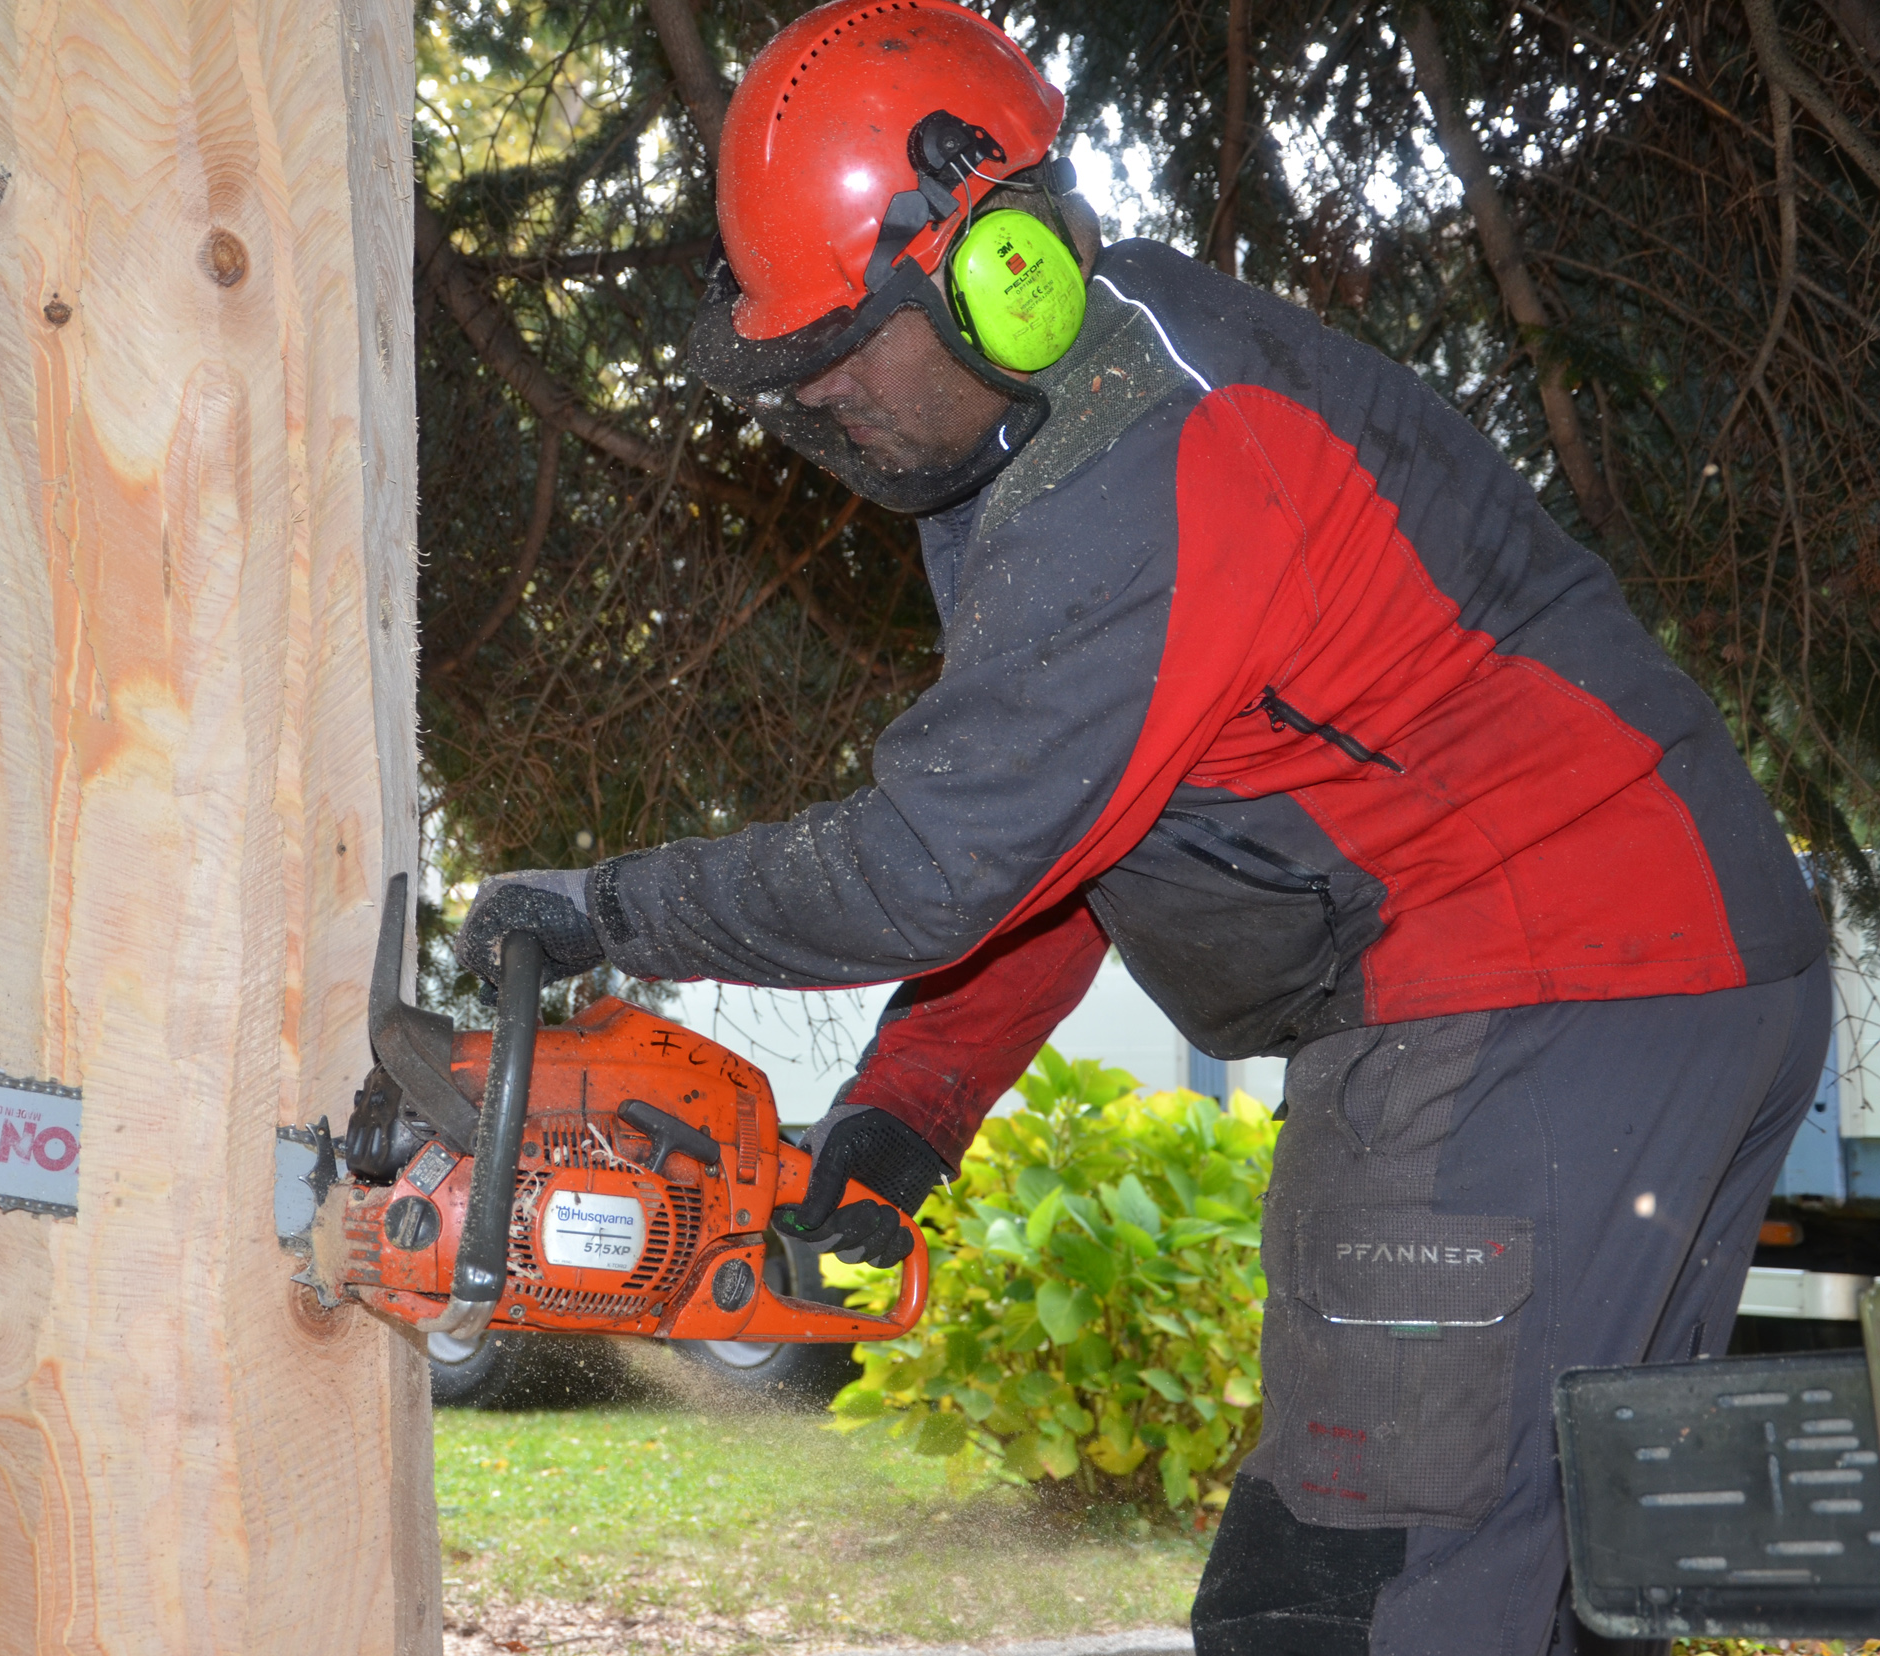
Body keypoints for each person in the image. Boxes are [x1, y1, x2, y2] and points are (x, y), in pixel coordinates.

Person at [451, 4, 1831, 1651]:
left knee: (1351, 1592)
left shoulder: (1155, 460)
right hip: (1671, 985)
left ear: (999, 269)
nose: (822, 407)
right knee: (1588, 1591)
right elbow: (1080, 849)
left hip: (1538, 982)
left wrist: (604, 910)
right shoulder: (1064, 447)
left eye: (838, 353)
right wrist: (907, 1116)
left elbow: (936, 864)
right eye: (790, 374)